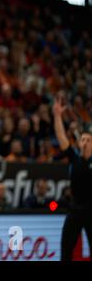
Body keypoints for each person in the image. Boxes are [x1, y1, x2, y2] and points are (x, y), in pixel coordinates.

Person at [53, 97, 92, 261]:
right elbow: (61, 137)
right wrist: (57, 116)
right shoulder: (75, 158)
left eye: (88, 140)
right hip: (75, 209)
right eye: (82, 139)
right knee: (66, 247)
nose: (84, 142)